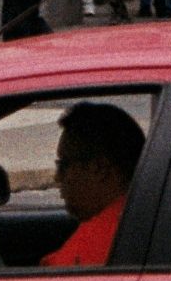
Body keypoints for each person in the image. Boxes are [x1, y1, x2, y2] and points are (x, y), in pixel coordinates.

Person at [43, 103, 147, 269]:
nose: (57, 177)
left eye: (63, 165)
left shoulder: (100, 238)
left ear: (100, 169)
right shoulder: (147, 217)